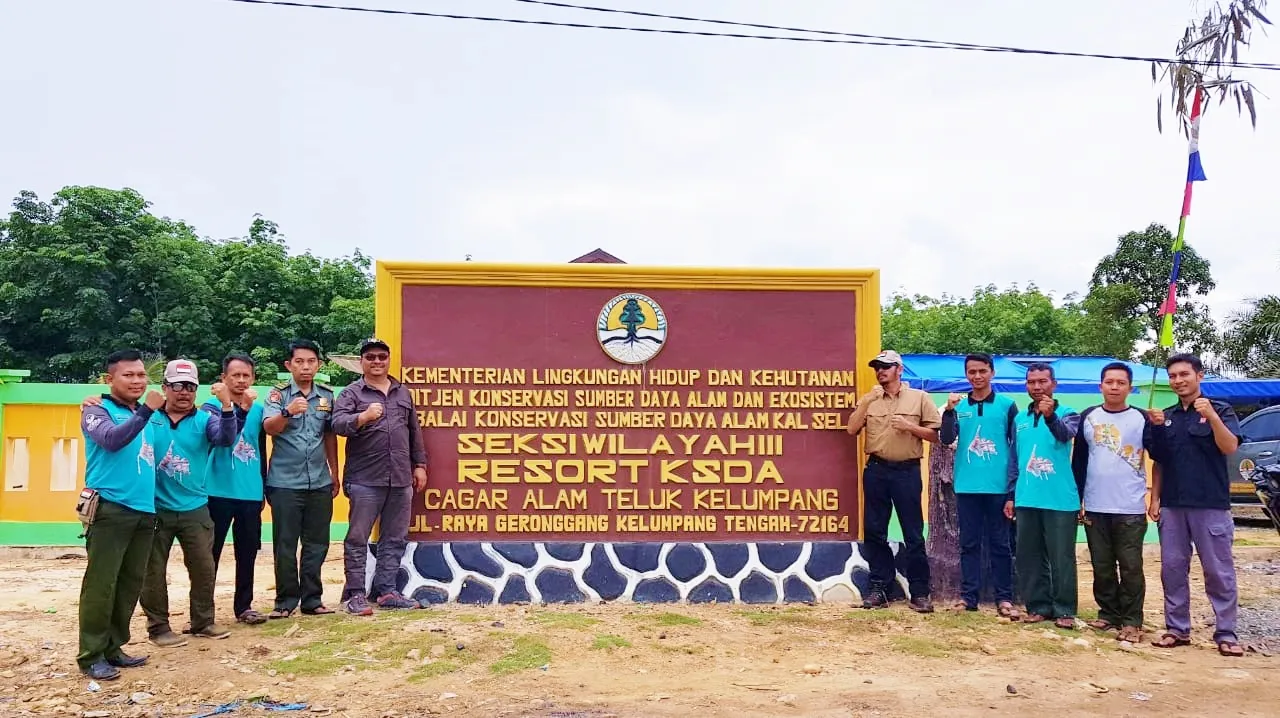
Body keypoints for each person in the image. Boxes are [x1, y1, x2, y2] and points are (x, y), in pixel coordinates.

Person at [1148, 353, 1244, 656]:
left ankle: (1226, 633)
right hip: (1173, 506)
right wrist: (1155, 499)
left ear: (1199, 376)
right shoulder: (1166, 416)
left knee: (1218, 571)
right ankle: (1176, 629)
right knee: (1173, 569)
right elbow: (1159, 462)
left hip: (1210, 505)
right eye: (1173, 376)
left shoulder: (1221, 409)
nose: (1178, 381)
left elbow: (1229, 447)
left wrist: (1212, 417)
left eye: (1184, 374)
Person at [76, 350, 163, 680]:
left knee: (128, 585)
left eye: (141, 375)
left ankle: (114, 647)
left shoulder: (148, 414)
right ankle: (91, 655)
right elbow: (112, 441)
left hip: (144, 510)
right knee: (101, 585)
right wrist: (146, 410)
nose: (137, 380)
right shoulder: (96, 411)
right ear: (109, 379)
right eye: (129, 375)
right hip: (110, 508)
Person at [140, 359, 237, 647]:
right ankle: (158, 628)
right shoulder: (150, 417)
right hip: (155, 508)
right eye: (178, 386)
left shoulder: (204, 420)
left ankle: (203, 622)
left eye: (191, 387)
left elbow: (225, 438)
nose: (184, 392)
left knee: (203, 567)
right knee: (152, 571)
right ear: (165, 387)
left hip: (195, 507)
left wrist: (227, 406)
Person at [332, 338, 430, 615]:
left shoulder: (402, 393)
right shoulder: (352, 393)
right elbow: (337, 424)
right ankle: (355, 594)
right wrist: (362, 418)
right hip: (365, 479)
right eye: (371, 357)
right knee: (357, 538)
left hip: (400, 478)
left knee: (395, 537)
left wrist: (419, 464)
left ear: (388, 359)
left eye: (382, 357)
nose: (377, 362)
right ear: (362, 361)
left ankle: (387, 591)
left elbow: (414, 432)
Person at [846, 350, 941, 613]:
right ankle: (880, 588)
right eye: (877, 367)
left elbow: (935, 435)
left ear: (899, 369)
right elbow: (851, 429)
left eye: (886, 366)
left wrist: (910, 427)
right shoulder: (871, 399)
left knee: (913, 533)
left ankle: (920, 593)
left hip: (907, 472)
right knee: (875, 531)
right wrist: (866, 402)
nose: (880, 371)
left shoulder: (919, 398)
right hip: (876, 470)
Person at [1071, 362, 1153, 644]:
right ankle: (1108, 614)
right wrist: (1078, 498)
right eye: (1109, 382)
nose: (1115, 387)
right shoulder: (1089, 417)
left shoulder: (1142, 417)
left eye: (1121, 382)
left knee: (1131, 565)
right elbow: (1079, 460)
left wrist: (1159, 427)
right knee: (1101, 565)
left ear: (1130, 387)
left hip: (1130, 506)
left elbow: (1160, 452)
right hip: (1095, 504)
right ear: (1101, 386)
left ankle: (1132, 620)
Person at [263, 339, 340, 618]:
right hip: (285, 482)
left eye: (311, 362)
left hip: (319, 481)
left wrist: (335, 472)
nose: (306, 367)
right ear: (289, 365)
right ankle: (285, 601)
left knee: (317, 543)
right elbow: (270, 428)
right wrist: (287, 412)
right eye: (299, 362)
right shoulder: (277, 395)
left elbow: (329, 435)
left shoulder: (327, 396)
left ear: (318, 365)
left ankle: (312, 600)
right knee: (285, 543)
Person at [939, 352, 1019, 617]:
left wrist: (1011, 490)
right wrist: (948, 412)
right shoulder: (958, 407)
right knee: (969, 544)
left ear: (992, 372)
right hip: (967, 487)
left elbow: (1016, 449)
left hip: (998, 488)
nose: (977, 376)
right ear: (966, 375)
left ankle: (1004, 598)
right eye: (972, 372)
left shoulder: (1008, 406)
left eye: (982, 371)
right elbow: (947, 437)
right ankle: (968, 596)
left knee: (1001, 545)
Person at [1007, 363, 1081, 629]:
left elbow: (1064, 435)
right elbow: (1015, 460)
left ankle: (1064, 609)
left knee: (1061, 557)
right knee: (1029, 556)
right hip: (1026, 497)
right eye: (1031, 382)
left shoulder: (1069, 413)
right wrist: (1010, 495)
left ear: (1054, 384)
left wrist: (1050, 417)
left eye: (1042, 381)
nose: (1037, 387)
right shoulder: (1020, 419)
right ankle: (1038, 606)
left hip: (1060, 499)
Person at [203, 353, 269, 625]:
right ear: (223, 378)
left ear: (253, 378)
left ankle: (244, 607)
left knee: (247, 553)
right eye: (235, 375)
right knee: (209, 555)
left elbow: (261, 448)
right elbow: (219, 440)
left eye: (246, 376)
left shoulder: (260, 409)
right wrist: (231, 405)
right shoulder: (209, 408)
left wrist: (263, 486)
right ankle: (204, 610)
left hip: (250, 493)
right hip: (216, 491)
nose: (241, 380)